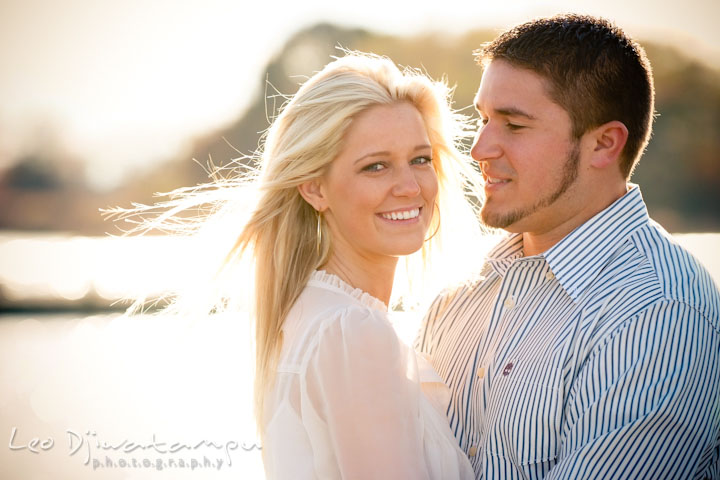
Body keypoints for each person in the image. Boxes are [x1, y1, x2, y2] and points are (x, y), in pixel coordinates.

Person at [415, 14, 720, 480]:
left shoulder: (657, 313)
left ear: (603, 144)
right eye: (483, 119)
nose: (479, 148)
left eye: (513, 126)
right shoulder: (459, 296)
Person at [202, 52, 479, 479]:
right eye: (376, 166)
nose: (409, 186)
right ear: (314, 188)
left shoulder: (310, 314)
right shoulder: (351, 332)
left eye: (420, 159)